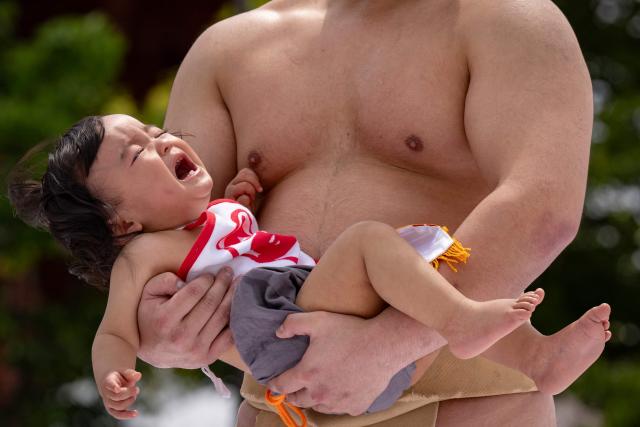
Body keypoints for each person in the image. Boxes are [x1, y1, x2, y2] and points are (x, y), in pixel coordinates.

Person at [134, 0, 601, 425]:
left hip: (467, 404)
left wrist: (391, 345)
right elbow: (165, 236)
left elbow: (543, 205)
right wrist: (156, 332)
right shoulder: (226, 49)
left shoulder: (504, 16)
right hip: (279, 406)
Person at [11, 114, 605, 424]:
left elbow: (238, 246)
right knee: (372, 244)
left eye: (155, 130)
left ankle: (536, 359)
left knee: (416, 264)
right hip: (284, 337)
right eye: (137, 152)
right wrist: (115, 374)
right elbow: (114, 331)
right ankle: (464, 323)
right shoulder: (144, 255)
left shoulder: (213, 217)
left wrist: (242, 201)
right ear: (121, 225)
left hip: (309, 315)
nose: (161, 138)